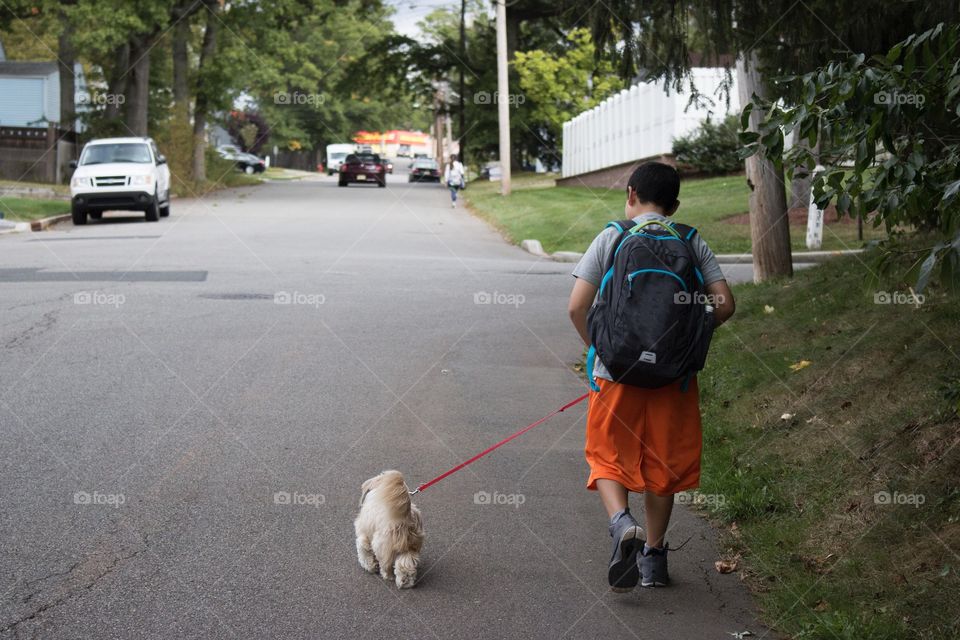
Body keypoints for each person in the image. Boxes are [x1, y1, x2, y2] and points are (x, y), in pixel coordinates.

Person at [567, 161, 735, 591]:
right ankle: (654, 559)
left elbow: (576, 307)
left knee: (607, 454)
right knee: (662, 462)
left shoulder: (614, 235)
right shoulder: (691, 240)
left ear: (630, 193)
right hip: (672, 378)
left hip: (615, 374)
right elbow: (725, 304)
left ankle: (622, 523)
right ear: (674, 205)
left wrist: (602, 350)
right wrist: (685, 340)